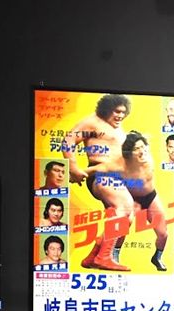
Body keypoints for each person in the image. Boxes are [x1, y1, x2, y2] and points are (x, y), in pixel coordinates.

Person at [64, 93, 133, 271]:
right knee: (124, 209)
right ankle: (104, 257)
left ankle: (92, 257)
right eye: (117, 111)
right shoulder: (92, 122)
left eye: (123, 112)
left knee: (128, 218)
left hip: (116, 177)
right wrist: (73, 167)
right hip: (101, 175)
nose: (120, 115)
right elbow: (68, 140)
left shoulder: (115, 126)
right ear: (107, 109)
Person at [118, 131, 167, 271]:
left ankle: (157, 257)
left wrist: (140, 140)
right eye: (136, 149)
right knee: (122, 229)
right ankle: (114, 256)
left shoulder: (147, 154)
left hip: (150, 197)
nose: (141, 151)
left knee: (163, 234)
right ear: (128, 153)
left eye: (142, 147)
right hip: (131, 199)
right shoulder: (121, 164)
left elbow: (143, 139)